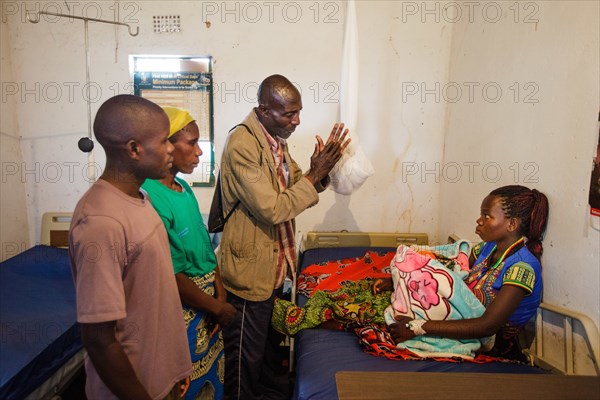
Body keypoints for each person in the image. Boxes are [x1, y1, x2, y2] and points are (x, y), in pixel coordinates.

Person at [218, 74, 350, 399]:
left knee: (266, 360)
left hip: (276, 270)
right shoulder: (243, 146)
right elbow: (274, 209)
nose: (297, 120)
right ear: (264, 110)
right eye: (289, 114)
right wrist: (314, 174)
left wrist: (319, 171)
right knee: (243, 365)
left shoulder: (276, 139)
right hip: (250, 278)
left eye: (298, 111)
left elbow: (293, 187)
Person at [68, 95, 192, 399]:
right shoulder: (101, 221)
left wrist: (175, 369)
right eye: (164, 141)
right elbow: (99, 338)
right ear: (134, 149)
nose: (171, 149)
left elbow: (153, 295)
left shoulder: (140, 198)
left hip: (160, 377)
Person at [382, 185, 549, 361]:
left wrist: (417, 326)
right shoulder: (488, 248)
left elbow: (487, 326)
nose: (479, 221)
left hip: (489, 343)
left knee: (399, 326)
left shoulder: (523, 267)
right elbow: (449, 272)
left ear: (511, 224)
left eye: (487, 216)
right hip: (459, 318)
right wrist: (399, 279)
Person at [142, 107, 237, 399]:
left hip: (207, 300)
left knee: (212, 380)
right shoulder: (149, 197)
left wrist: (220, 293)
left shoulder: (183, 187)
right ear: (167, 144)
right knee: (186, 386)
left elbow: (205, 246)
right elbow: (171, 273)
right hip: (183, 306)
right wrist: (217, 307)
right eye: (192, 143)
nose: (198, 152)